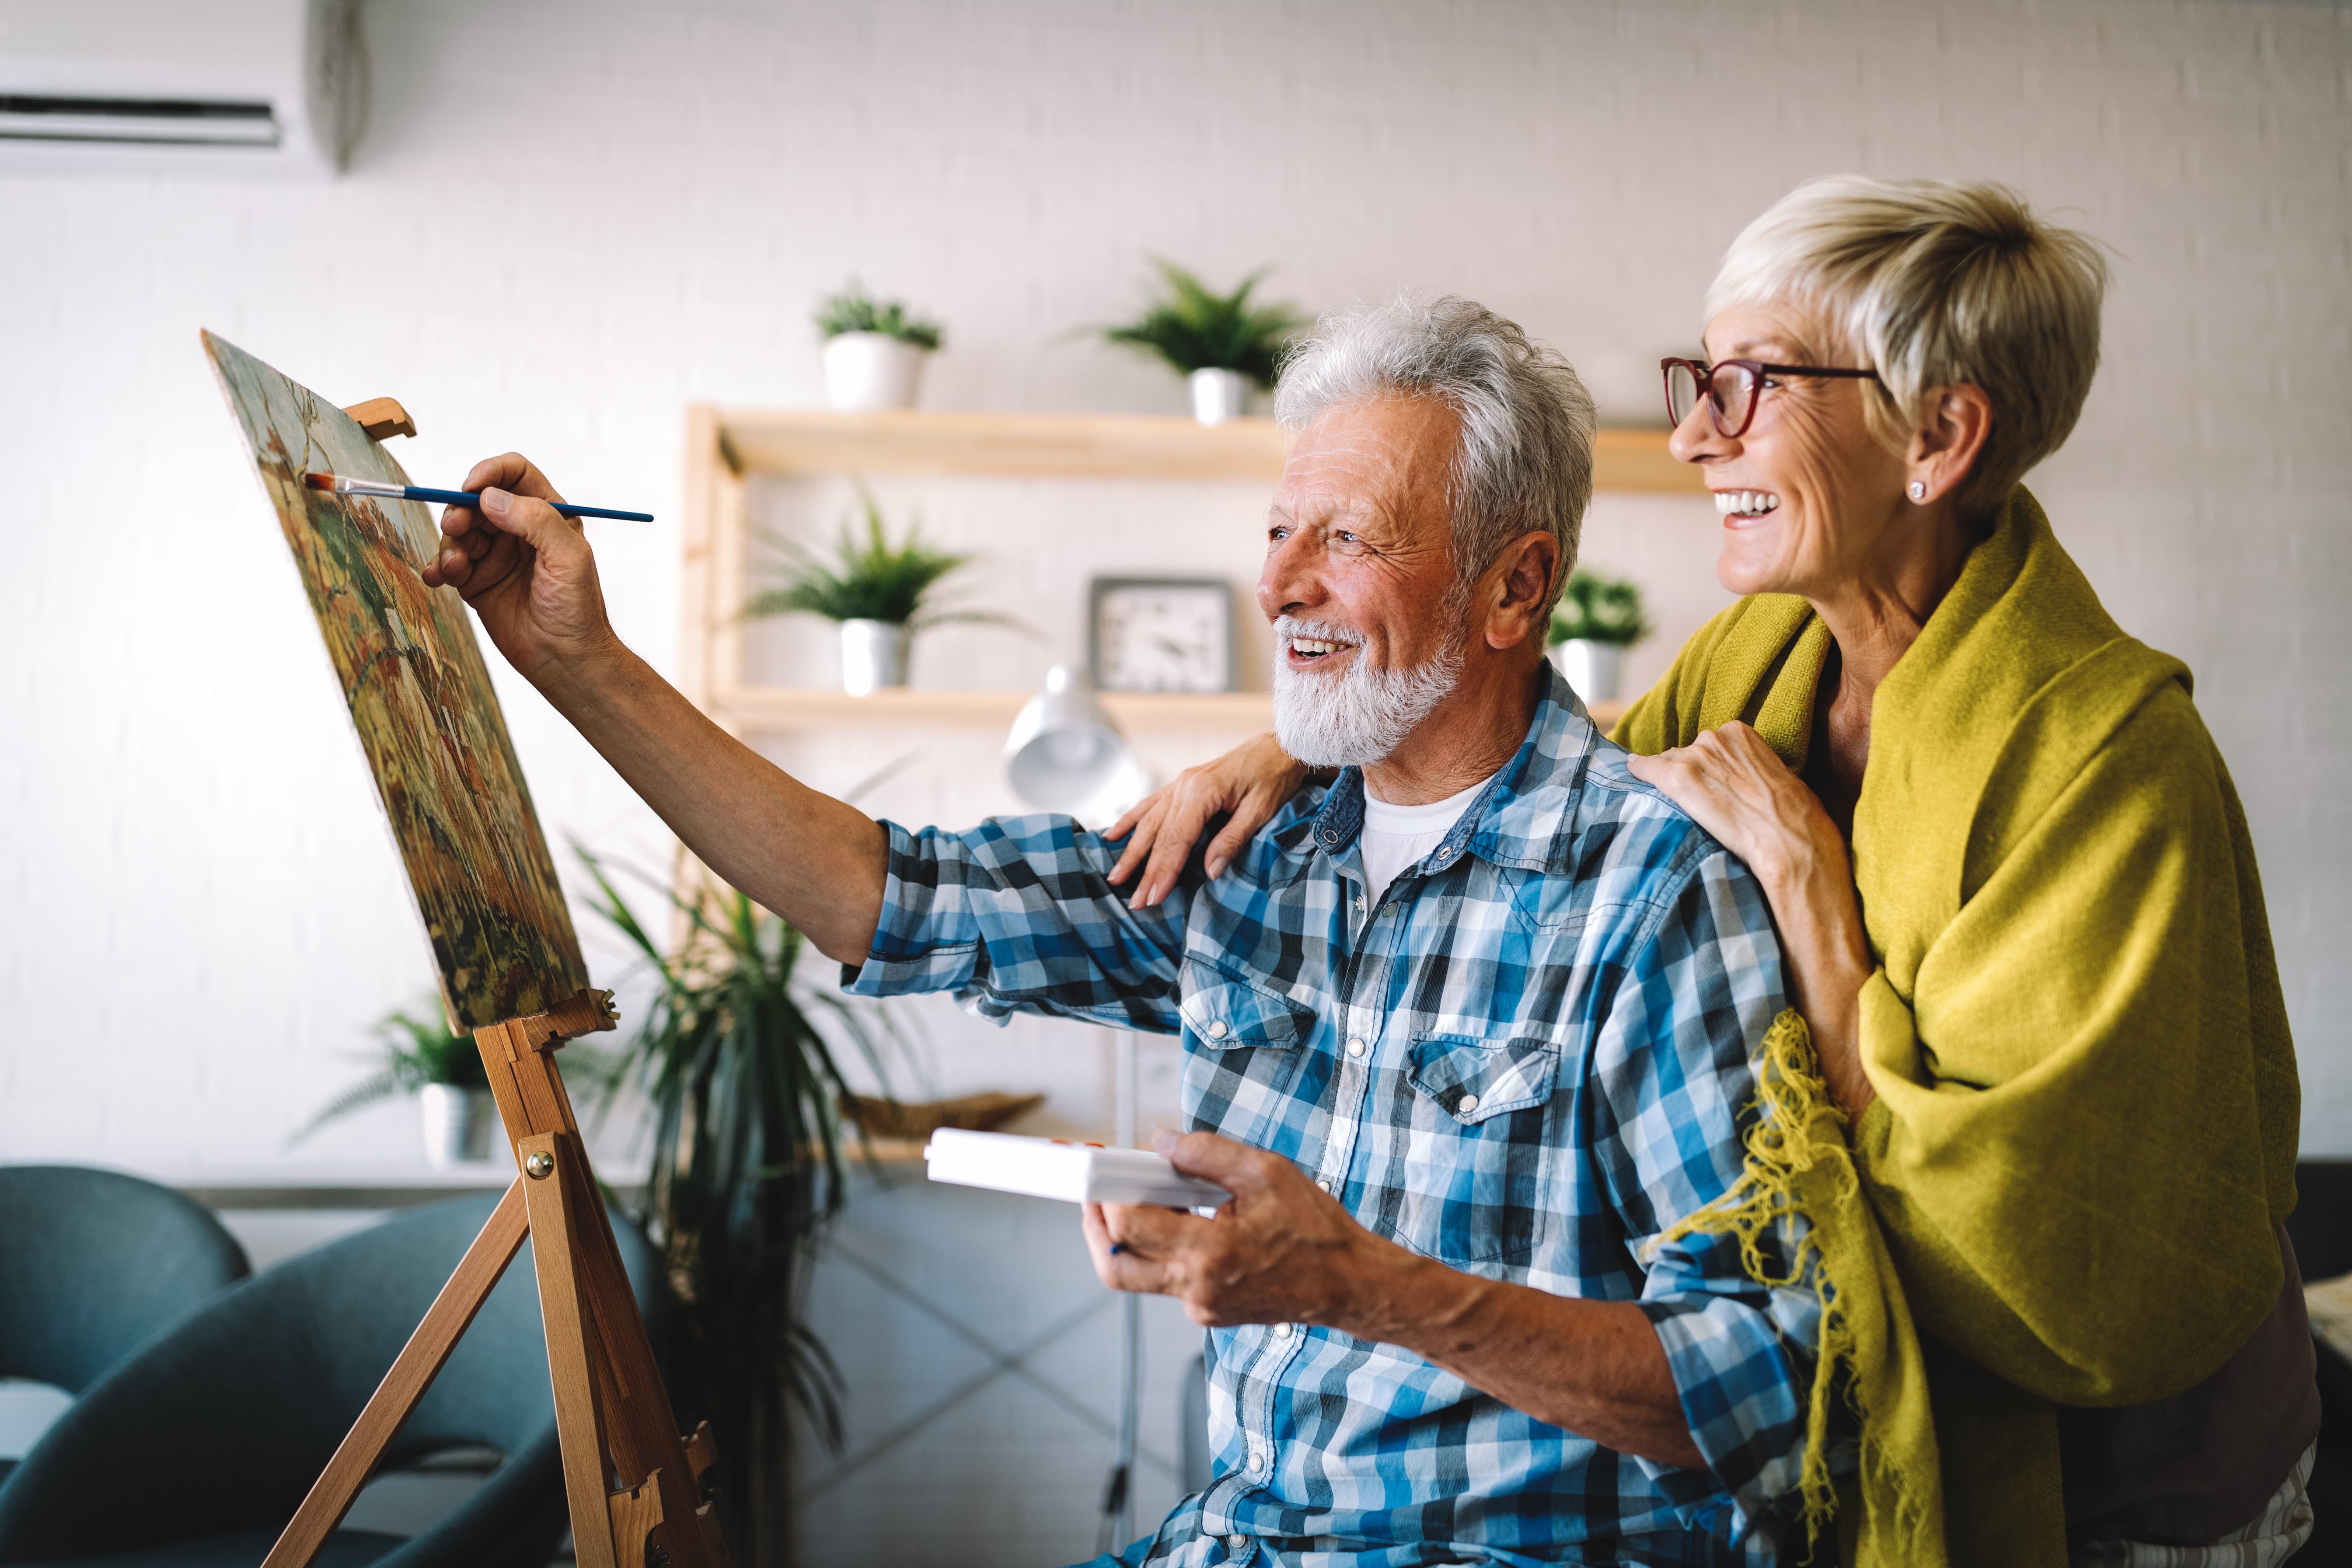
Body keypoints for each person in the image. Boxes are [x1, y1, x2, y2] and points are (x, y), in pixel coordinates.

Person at [421, 297, 1830, 1564]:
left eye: (1348, 538)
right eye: (1280, 531)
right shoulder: (1256, 848)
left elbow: (1767, 1383)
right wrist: (577, 663)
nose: (1281, 585)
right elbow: (884, 891)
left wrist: (1367, 1289)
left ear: (1515, 587)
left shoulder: (1651, 892)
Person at [1106, 179, 2316, 1568]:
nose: (1690, 437)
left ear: (1936, 435)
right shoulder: (1754, 663)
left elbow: (2043, 1250)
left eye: (1744, 386)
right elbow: (1544, 763)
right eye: (1700, 383)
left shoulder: (2107, 761)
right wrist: (1297, 746)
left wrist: (1814, 903)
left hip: (2126, 1480)